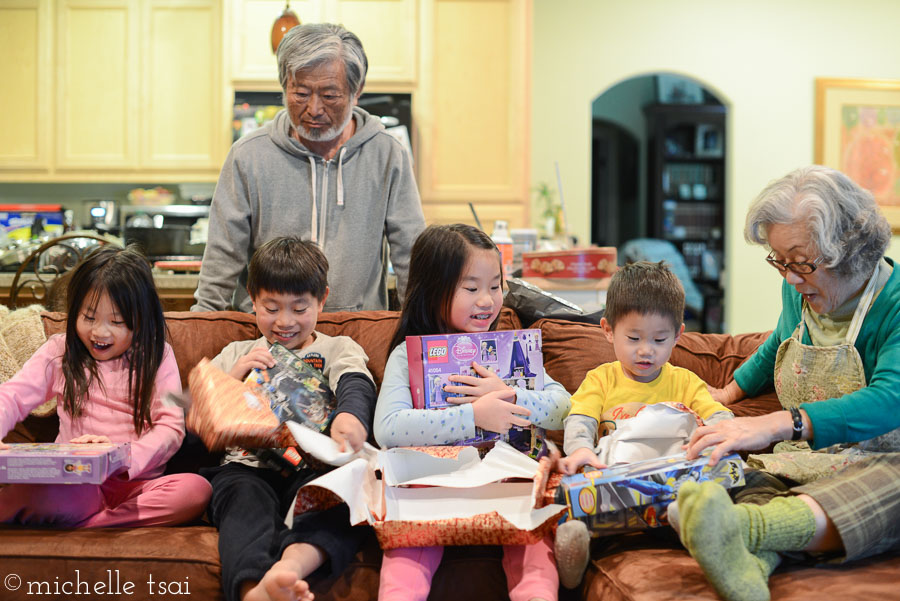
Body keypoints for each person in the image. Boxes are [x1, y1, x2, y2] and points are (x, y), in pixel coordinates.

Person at [674, 165, 900, 601]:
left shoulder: (893, 304)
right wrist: (728, 394)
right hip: (803, 465)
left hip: (879, 462)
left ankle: (742, 530)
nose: (789, 278)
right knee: (747, 480)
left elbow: (890, 400)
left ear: (850, 252)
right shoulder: (797, 292)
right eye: (779, 261)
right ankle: (748, 571)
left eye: (801, 262)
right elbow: (780, 340)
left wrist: (781, 424)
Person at [374, 224, 572, 601]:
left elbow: (564, 408)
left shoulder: (510, 351)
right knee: (405, 562)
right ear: (434, 291)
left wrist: (512, 396)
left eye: (495, 286)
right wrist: (474, 416)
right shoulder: (408, 355)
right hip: (434, 487)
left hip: (510, 484)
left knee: (534, 553)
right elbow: (387, 428)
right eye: (472, 288)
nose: (487, 300)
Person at [192, 22, 425, 314]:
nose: (314, 109)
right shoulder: (248, 156)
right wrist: (202, 327)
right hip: (268, 337)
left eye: (329, 96)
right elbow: (222, 257)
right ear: (284, 85)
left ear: (357, 91)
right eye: (301, 93)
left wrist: (421, 333)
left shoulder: (388, 155)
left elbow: (412, 259)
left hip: (355, 334)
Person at [202, 237, 377, 601]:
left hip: (314, 468)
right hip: (247, 468)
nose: (285, 322)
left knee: (343, 497)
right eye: (271, 308)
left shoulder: (336, 348)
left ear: (322, 299)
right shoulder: (235, 353)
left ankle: (288, 571)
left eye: (300, 309)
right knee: (243, 502)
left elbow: (355, 383)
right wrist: (232, 379)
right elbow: (196, 424)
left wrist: (349, 417)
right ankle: (254, 590)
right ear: (252, 299)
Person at [0, 245, 211, 527]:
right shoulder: (59, 352)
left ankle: (89, 524)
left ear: (141, 320)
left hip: (135, 486)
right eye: (88, 318)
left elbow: (170, 427)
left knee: (196, 490)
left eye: (117, 321)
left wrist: (122, 457)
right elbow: (12, 396)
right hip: (74, 483)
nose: (99, 332)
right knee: (59, 494)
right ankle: (88, 517)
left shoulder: (157, 355)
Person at [553, 261, 733, 588]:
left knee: (702, 492)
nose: (645, 350)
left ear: (678, 335)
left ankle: (688, 524)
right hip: (614, 486)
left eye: (659, 339)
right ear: (608, 330)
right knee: (578, 500)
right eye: (633, 337)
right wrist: (580, 449)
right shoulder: (602, 379)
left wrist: (724, 432)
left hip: (668, 485)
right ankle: (578, 548)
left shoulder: (686, 382)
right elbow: (580, 418)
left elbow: (718, 415)